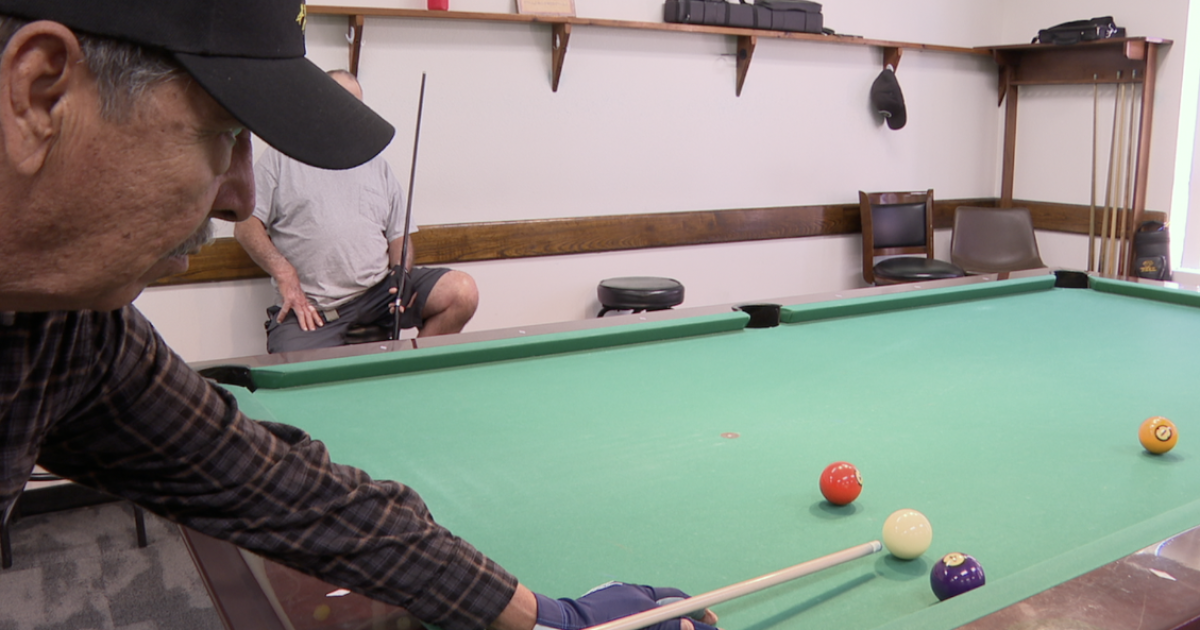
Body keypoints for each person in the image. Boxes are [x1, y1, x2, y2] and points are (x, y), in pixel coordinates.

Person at [0, 2, 717, 630]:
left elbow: (281, 491)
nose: (241, 196)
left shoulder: (63, 331)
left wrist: (545, 619)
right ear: (40, 92)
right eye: (222, 134)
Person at [236, 70, 478, 353]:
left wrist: (402, 272)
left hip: (377, 297)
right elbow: (245, 226)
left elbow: (399, 235)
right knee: (290, 368)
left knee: (462, 291)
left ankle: (405, 370)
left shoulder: (376, 165)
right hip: (314, 311)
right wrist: (284, 273)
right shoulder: (280, 157)